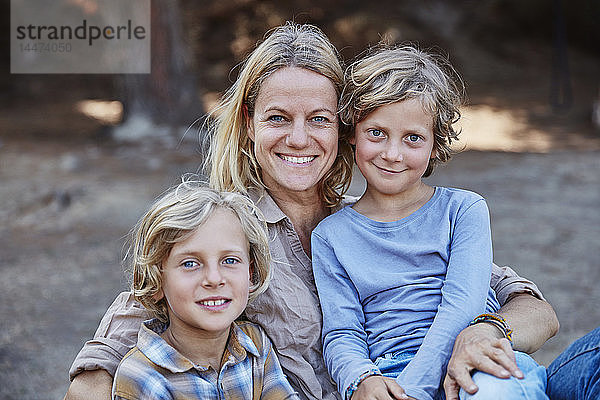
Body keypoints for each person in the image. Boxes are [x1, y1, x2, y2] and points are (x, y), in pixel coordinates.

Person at [64, 23, 559, 400]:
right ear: (248, 123)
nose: (299, 140)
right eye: (278, 119)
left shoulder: (377, 217)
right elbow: (102, 359)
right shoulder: (220, 230)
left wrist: (485, 331)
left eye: (318, 120)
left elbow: (534, 310)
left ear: (343, 128)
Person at [311, 45, 549, 400]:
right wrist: (361, 379)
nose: (392, 153)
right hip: (388, 372)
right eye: (376, 132)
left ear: (435, 145)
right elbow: (342, 331)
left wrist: (415, 390)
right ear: (351, 134)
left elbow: (463, 305)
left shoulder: (463, 210)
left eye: (413, 138)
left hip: (475, 359)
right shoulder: (330, 235)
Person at [111, 182, 299, 399]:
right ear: (156, 280)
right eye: (190, 263)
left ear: (250, 273)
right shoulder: (143, 378)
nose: (214, 279)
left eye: (229, 260)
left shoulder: (255, 345)